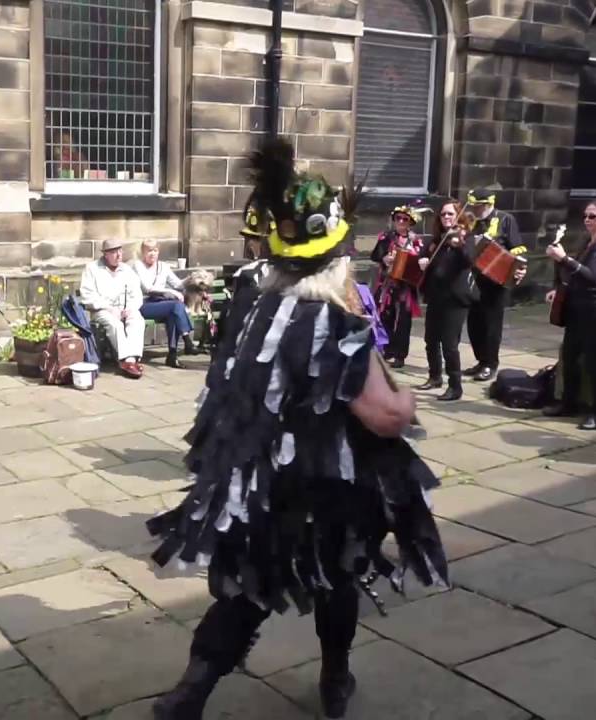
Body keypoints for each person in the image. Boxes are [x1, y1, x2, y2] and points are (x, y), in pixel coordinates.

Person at [149, 138, 447, 720]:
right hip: (325, 493)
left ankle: (189, 695)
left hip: (259, 487)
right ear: (338, 257)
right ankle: (335, 681)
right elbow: (384, 415)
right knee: (337, 579)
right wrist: (407, 398)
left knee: (245, 593)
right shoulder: (334, 322)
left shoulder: (257, 308)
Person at [544, 199, 596, 431]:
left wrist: (564, 259)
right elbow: (575, 273)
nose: (587, 220)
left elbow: (593, 275)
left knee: (594, 362)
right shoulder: (590, 241)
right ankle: (569, 403)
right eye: (586, 216)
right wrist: (558, 288)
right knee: (570, 356)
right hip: (579, 308)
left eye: (593, 217)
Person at [417, 200, 477, 401]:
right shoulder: (436, 240)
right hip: (436, 297)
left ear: (459, 216)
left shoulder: (467, 238)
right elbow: (423, 255)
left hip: (456, 299)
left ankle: (455, 386)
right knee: (430, 340)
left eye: (450, 214)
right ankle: (435, 377)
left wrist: (459, 245)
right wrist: (422, 261)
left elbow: (470, 260)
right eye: (443, 214)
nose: (446, 218)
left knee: (449, 344)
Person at [463, 188, 526, 382]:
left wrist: (520, 268)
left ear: (488, 204)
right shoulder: (471, 220)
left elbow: (517, 248)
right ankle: (481, 360)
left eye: (478, 206)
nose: (475, 209)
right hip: (474, 280)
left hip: (496, 281)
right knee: (474, 323)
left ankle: (491, 364)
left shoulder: (506, 219)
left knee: (491, 324)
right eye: (473, 206)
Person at [79, 239, 145, 378]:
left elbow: (136, 294)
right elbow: (87, 295)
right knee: (115, 324)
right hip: (101, 310)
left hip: (124, 308)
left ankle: (132, 359)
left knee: (137, 320)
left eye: (120, 251)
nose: (119, 255)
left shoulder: (127, 270)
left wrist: (131, 308)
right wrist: (108, 308)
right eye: (114, 252)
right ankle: (127, 361)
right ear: (106, 254)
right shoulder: (92, 269)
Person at [370, 205, 426, 368]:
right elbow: (375, 255)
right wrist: (384, 258)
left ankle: (400, 355)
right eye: (398, 218)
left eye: (404, 219)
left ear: (411, 222)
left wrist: (416, 260)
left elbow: (421, 262)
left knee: (403, 321)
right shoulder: (385, 237)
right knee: (385, 317)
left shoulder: (416, 240)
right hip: (387, 284)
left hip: (406, 288)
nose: (400, 222)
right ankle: (386, 350)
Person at [131, 239, 196, 368]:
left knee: (174, 313)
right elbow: (148, 288)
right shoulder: (138, 266)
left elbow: (178, 284)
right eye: (149, 251)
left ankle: (172, 355)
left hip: (162, 304)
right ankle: (187, 340)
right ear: (143, 252)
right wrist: (170, 291)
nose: (152, 254)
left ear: (158, 252)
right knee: (176, 305)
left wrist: (191, 278)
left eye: (155, 250)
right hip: (144, 304)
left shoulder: (163, 266)